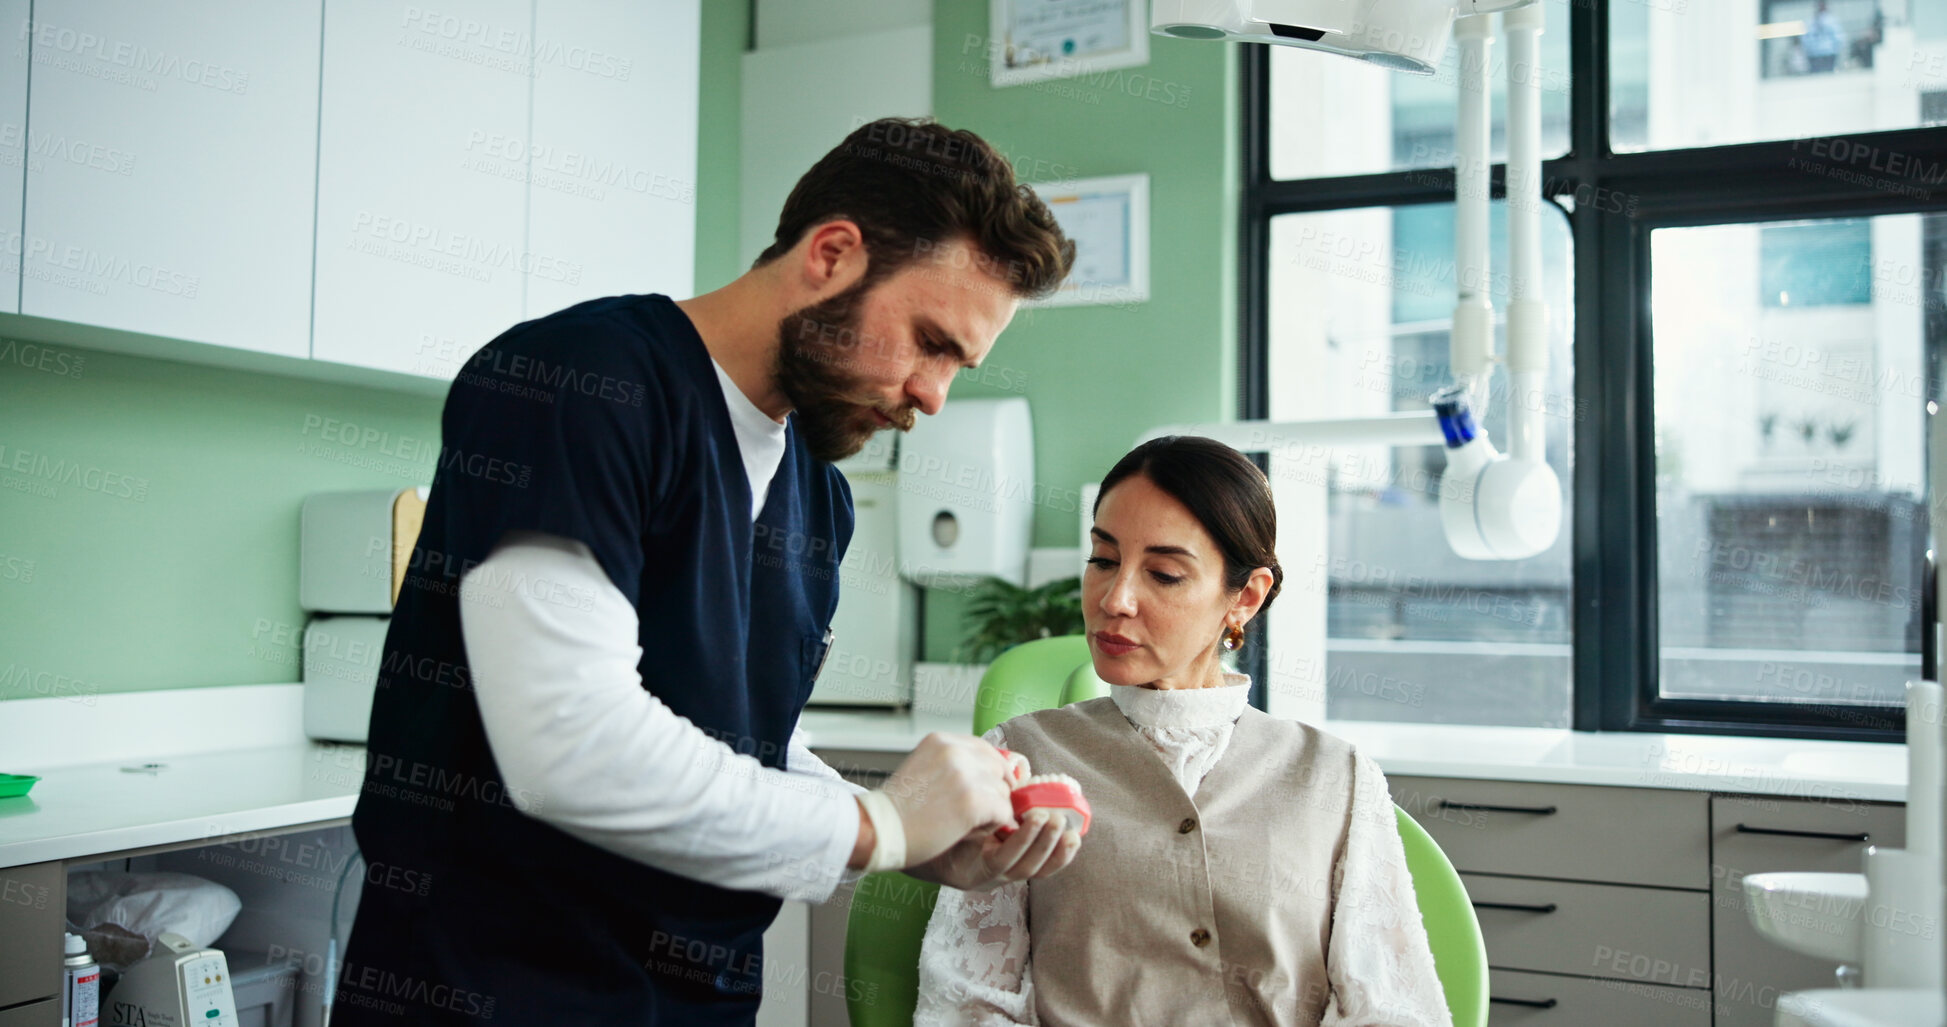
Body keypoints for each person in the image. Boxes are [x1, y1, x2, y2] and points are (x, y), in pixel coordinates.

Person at [333, 118, 1078, 1025]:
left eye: (957, 364)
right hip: (496, 986)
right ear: (832, 254)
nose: (932, 394)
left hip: (695, 993)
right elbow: (570, 745)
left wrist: (912, 835)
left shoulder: (818, 493)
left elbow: (738, 745)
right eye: (930, 341)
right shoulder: (579, 382)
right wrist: (877, 826)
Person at [915, 436, 1450, 1027]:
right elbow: (964, 1006)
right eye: (1103, 560)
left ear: (1245, 597)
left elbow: (1397, 1012)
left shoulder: (1337, 780)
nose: (1115, 599)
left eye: (1165, 574)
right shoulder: (1017, 759)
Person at [1803, 1, 1845, 73]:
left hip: (1827, 54)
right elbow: (1806, 38)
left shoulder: (1830, 20)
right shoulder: (1812, 21)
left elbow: (1838, 37)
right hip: (1817, 55)